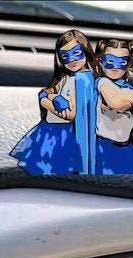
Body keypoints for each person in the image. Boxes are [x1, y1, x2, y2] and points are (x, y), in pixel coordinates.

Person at [10, 30, 99, 174]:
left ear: (85, 51)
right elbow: (51, 91)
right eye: (65, 56)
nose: (71, 59)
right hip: (49, 132)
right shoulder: (67, 78)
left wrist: (45, 100)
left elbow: (70, 113)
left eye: (76, 53)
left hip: (62, 135)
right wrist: (53, 97)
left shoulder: (82, 80)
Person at [94, 40, 133, 175]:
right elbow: (117, 103)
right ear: (101, 62)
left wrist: (124, 97)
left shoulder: (124, 85)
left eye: (122, 62)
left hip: (126, 145)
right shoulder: (103, 82)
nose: (115, 67)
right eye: (110, 61)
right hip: (105, 146)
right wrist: (128, 100)